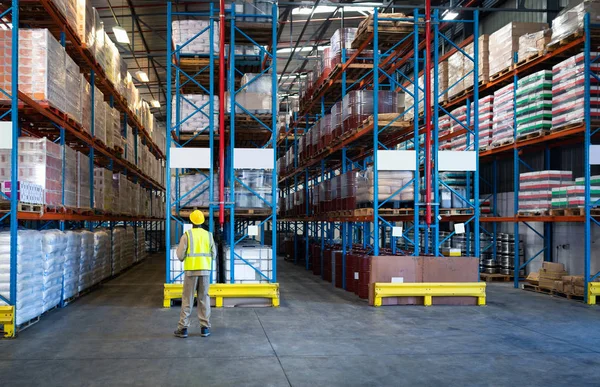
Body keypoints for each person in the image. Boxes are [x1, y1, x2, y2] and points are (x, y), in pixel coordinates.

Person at [174, 210, 217, 338]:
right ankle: (205, 328)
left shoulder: (187, 235)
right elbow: (214, 254)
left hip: (191, 272)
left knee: (187, 299)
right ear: (202, 222)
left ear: (191, 221)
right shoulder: (209, 235)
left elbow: (180, 255)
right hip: (205, 271)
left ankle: (183, 328)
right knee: (204, 298)